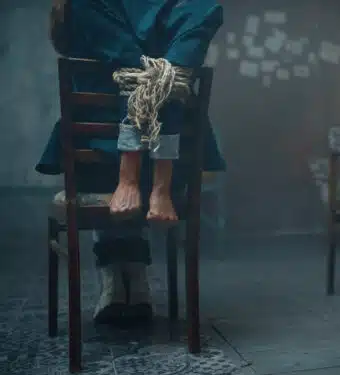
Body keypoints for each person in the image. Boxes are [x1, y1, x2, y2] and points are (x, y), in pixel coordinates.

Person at [39, 0, 225, 323]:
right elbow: (165, 78)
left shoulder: (81, 7)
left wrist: (131, 177)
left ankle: (117, 277)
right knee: (163, 85)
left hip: (98, 158)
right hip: (168, 156)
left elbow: (144, 73)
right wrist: (158, 182)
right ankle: (131, 275)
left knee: (100, 159)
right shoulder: (197, 8)